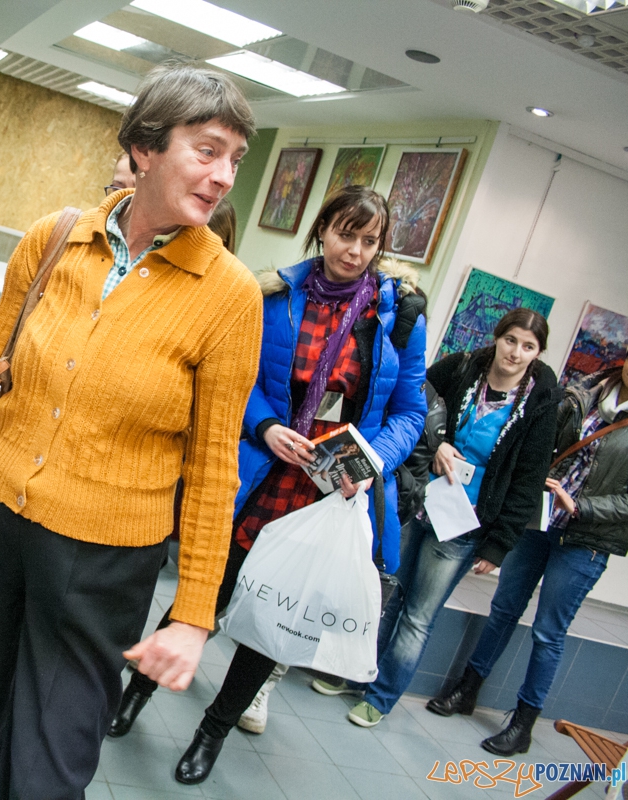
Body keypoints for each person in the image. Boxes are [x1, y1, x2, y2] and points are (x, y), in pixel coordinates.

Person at [0, 62, 263, 800]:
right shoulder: (56, 239)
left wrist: (194, 615)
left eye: (236, 157)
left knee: (49, 759)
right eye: (207, 149)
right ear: (144, 149)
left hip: (104, 558)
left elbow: (212, 466)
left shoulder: (230, 295)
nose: (225, 174)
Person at [110, 185, 429, 784]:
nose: (354, 251)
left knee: (276, 623)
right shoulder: (274, 295)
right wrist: (266, 425)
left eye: (369, 241)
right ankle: (134, 697)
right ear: (321, 229)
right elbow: (240, 377)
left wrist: (369, 462)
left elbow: (410, 413)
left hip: (330, 494)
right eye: (344, 234)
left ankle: (213, 732)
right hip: (261, 476)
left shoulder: (399, 318)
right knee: (199, 598)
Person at [328, 308, 560, 729]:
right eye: (511, 340)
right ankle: (357, 675)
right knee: (386, 592)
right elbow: (415, 402)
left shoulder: (540, 406)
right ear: (498, 337)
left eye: (528, 346)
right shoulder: (462, 367)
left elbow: (527, 482)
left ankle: (380, 699)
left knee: (418, 615)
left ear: (538, 353)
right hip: (419, 499)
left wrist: (498, 545)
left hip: (463, 525)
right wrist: (440, 442)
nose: (515, 352)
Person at [426, 354, 628, 754]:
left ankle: (522, 724)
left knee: (548, 632)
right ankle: (467, 690)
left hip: (586, 539)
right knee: (503, 609)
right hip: (541, 521)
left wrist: (581, 506)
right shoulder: (586, 392)